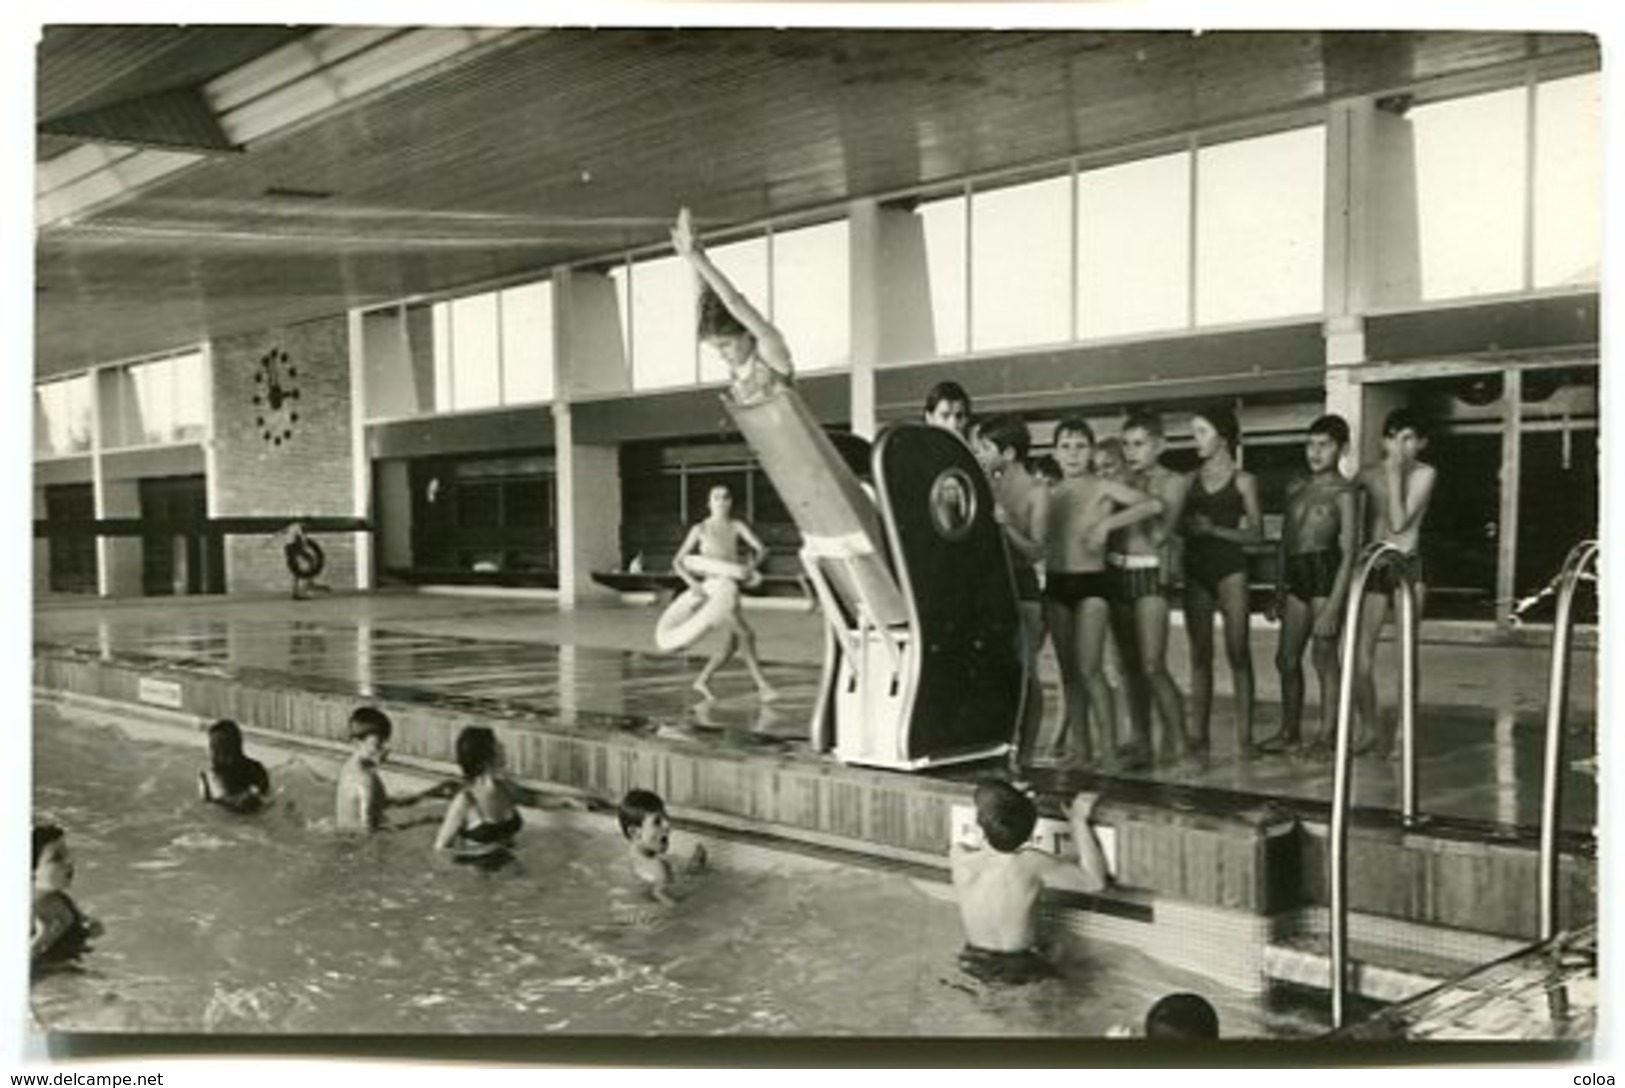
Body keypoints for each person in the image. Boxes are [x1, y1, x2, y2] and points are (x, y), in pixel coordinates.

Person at [1041, 418, 1161, 767]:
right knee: (1069, 674)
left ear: (1091, 451)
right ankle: (1082, 749)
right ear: (1055, 453)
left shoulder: (1103, 487)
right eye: (1066, 447)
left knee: (1090, 668)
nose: (1073, 454)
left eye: (1080, 446)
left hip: (1092, 585)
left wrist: (1108, 523)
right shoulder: (1050, 493)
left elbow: (1152, 505)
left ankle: (1107, 748)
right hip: (1057, 584)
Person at [949, 782, 1110, 985]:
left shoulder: (959, 857)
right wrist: (1078, 821)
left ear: (980, 823)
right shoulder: (1031, 863)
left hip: (973, 962)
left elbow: (985, 835)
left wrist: (1009, 800)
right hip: (1022, 967)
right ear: (1030, 833)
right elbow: (1095, 882)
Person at [1267, 415, 1358, 757]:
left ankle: (1328, 736)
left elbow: (1350, 551)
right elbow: (1284, 543)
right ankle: (1289, 731)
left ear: (1342, 448)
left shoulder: (1344, 493)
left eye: (1324, 445)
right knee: (1286, 659)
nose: (1315, 452)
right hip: (1296, 575)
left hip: (1325, 572)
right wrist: (1278, 590)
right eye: (1311, 444)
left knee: (1323, 655)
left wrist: (1335, 605)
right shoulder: (1296, 488)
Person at [1353, 408, 1438, 759]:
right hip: (1373, 567)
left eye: (1407, 439)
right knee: (1358, 655)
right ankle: (1368, 727)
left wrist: (1391, 473)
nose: (1398, 446)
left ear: (1421, 443)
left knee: (1404, 655)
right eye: (1392, 437)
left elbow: (1400, 523)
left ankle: (1405, 733)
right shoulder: (1367, 473)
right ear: (1383, 440)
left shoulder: (1425, 473)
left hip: (1407, 566)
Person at [1180, 405, 1262, 763]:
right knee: (1200, 656)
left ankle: (1245, 738)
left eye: (1201, 431)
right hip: (1196, 570)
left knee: (1238, 653)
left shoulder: (1244, 481)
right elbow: (1175, 528)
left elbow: (1256, 535)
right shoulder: (1187, 481)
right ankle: (1198, 734)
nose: (1194, 439)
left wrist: (1213, 529)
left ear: (1223, 437)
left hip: (1231, 569)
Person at [1112, 410, 1194, 769]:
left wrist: (1136, 500)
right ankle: (1142, 742)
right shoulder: (1121, 479)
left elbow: (1159, 535)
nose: (1132, 452)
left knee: (1153, 664)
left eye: (1140, 444)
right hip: (1117, 573)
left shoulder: (1173, 482)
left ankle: (1181, 745)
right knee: (1128, 668)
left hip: (1150, 576)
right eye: (1127, 445)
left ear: (1159, 445)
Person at [971, 414, 1048, 769]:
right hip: (992, 585)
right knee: (996, 670)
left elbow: (1037, 551)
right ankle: (1000, 745)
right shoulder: (985, 486)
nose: (979, 452)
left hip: (1024, 586)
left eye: (986, 447)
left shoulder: (1037, 492)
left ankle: (1027, 754)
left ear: (1010, 452)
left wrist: (1007, 526)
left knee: (1027, 672)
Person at [671, 207, 793, 406]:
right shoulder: (740, 364)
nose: (722, 355)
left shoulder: (771, 351)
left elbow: (733, 302)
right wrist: (695, 254)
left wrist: (695, 258)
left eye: (725, 345)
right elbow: (706, 294)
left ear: (746, 332)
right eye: (717, 348)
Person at [671, 484, 778, 702]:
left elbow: (762, 549)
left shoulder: (736, 526)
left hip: (732, 586)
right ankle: (763, 686)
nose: (721, 500)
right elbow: (678, 561)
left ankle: (702, 680)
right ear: (709, 503)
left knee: (732, 644)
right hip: (714, 591)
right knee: (746, 634)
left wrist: (750, 568)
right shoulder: (699, 529)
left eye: (726, 497)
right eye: (716, 497)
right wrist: (692, 583)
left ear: (730, 502)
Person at [334, 706, 454, 831]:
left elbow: (381, 804)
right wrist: (415, 825)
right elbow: (367, 834)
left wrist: (429, 794)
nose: (386, 748)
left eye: (386, 741)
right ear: (356, 743)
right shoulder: (365, 780)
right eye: (378, 743)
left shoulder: (349, 768)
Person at [434, 726, 523, 860]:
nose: (503, 746)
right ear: (484, 756)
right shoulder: (465, 800)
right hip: (479, 876)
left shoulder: (506, 787)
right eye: (497, 744)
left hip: (513, 870)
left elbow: (536, 799)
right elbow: (440, 850)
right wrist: (482, 851)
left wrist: (565, 801)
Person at [616, 789, 708, 907]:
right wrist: (697, 876)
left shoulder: (625, 863)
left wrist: (691, 868)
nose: (668, 824)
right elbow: (669, 901)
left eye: (666, 817)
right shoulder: (657, 866)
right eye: (657, 821)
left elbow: (649, 890)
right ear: (634, 832)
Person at [32, 824, 102, 970]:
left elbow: (85, 922)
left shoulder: (63, 900)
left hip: (74, 967)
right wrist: (42, 937)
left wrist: (92, 927)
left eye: (67, 854)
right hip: (46, 977)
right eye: (57, 858)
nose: (69, 861)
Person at [197, 718, 271, 813]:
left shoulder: (255, 770)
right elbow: (208, 809)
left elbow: (266, 799)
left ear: (236, 748)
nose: (212, 754)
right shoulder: (207, 777)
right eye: (212, 748)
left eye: (219, 749)